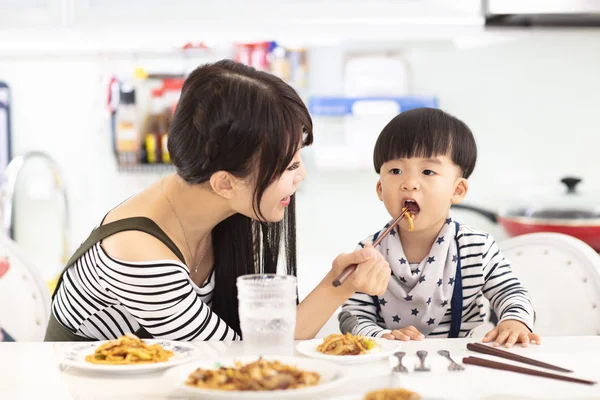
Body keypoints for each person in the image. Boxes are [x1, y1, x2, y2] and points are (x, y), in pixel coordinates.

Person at [45, 60, 390, 342]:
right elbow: (235, 364)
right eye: (289, 166)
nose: (301, 177)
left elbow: (267, 342)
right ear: (225, 182)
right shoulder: (140, 254)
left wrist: (342, 282)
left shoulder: (226, 209)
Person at [339, 108, 540, 348]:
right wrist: (382, 336)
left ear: (457, 191)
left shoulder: (476, 247)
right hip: (388, 360)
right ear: (380, 189)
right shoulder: (369, 252)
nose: (410, 183)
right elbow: (352, 316)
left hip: (459, 362)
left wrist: (515, 321)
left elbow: (512, 293)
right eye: (395, 171)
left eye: (427, 171)